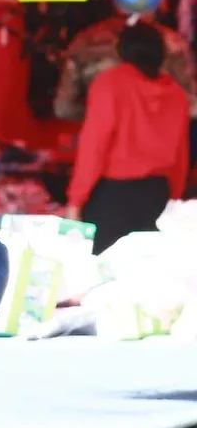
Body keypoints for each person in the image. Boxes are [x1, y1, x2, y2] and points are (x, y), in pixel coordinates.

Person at [65, 21, 190, 255]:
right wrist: (173, 198)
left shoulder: (110, 83)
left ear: (122, 50)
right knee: (148, 274)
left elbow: (94, 146)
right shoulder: (176, 94)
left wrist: (75, 201)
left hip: (113, 198)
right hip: (157, 196)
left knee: (102, 277)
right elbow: (181, 155)